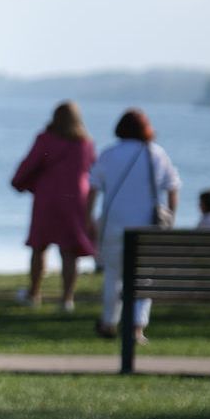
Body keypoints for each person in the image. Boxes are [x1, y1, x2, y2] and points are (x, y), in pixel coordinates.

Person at [86, 108, 179, 344]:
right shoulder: (156, 153)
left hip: (114, 224)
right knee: (143, 278)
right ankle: (137, 327)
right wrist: (170, 215)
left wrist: (88, 219)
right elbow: (172, 185)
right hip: (147, 226)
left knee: (113, 276)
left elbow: (93, 187)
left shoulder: (109, 154)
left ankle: (109, 322)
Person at [8, 100, 97, 313]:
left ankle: (34, 293)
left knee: (39, 247)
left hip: (47, 199)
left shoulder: (46, 139)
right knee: (69, 251)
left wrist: (19, 183)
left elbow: (31, 164)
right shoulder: (85, 143)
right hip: (75, 200)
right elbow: (93, 170)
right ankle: (67, 299)